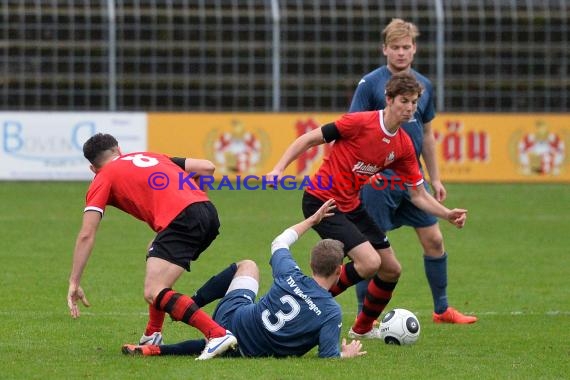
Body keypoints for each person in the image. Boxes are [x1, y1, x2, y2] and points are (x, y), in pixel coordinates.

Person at [265, 72, 468, 339]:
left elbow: (417, 194)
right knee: (369, 262)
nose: (409, 108)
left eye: (414, 102)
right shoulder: (359, 122)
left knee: (391, 269)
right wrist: (278, 168)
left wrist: (446, 214)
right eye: (404, 101)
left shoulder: (404, 145)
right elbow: (310, 139)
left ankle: (361, 329)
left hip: (351, 205)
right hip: (322, 201)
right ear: (389, 99)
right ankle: (305, 302)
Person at [349, 18, 477, 324]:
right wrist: (365, 171)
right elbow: (353, 129)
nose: (401, 53)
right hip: (378, 180)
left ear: (415, 49)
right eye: (395, 48)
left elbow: (428, 134)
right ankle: (364, 316)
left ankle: (442, 309)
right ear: (385, 50)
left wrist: (435, 177)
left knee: (434, 239)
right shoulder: (370, 84)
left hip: (412, 177)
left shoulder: (424, 85)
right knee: (372, 250)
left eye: (406, 47)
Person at [122, 199, 366, 359]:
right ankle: (161, 345)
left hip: (228, 320)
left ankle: (186, 309)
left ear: (312, 263)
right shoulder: (331, 311)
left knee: (247, 265)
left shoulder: (289, 273)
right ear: (338, 271)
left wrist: (312, 220)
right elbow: (328, 357)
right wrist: (347, 354)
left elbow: (279, 242)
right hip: (252, 351)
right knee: (222, 346)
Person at [66, 133, 237, 360]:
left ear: (92, 168)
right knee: (154, 251)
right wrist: (190, 195)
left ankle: (217, 334)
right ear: (119, 149)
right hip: (206, 211)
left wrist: (74, 282)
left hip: (183, 218)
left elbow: (87, 234)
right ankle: (153, 334)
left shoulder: (102, 177)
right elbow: (206, 167)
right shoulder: (150, 156)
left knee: (153, 291)